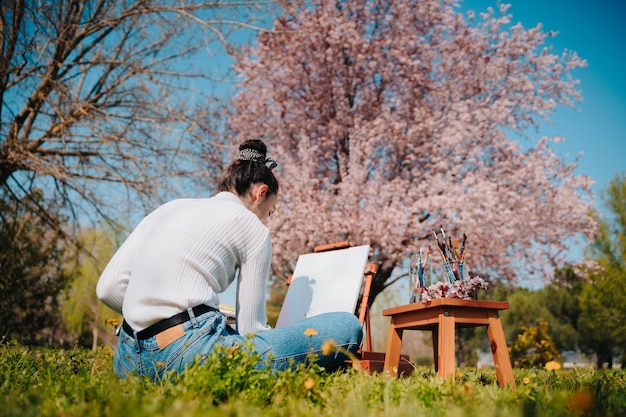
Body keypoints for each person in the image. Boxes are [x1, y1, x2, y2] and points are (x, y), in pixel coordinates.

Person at [96, 139, 363, 381]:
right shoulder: (252, 227)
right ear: (261, 193)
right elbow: (251, 330)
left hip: (127, 360)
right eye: (269, 211)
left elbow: (108, 289)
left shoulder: (169, 208)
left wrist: (155, 318)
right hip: (186, 355)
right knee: (346, 326)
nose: (265, 219)